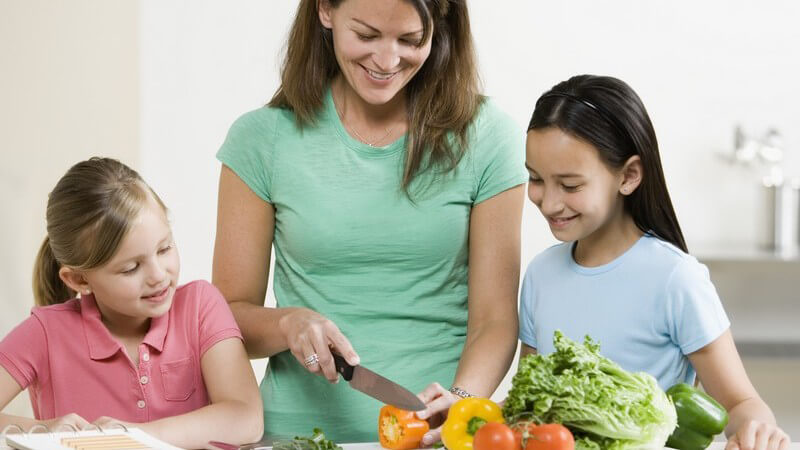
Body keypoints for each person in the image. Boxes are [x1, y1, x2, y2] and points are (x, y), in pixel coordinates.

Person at [213, 0, 526, 444]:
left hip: (433, 438)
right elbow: (227, 319)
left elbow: (494, 321)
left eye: (410, 40)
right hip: (294, 438)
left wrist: (460, 402)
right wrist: (288, 323)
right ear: (325, 10)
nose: (387, 60)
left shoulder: (487, 136)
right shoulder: (262, 139)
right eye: (366, 35)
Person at [518, 74, 791, 450]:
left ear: (629, 176)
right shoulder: (540, 275)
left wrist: (758, 431)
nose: (548, 203)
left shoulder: (675, 278)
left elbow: (741, 403)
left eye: (570, 185)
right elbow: (528, 403)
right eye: (535, 179)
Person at [0, 157, 263, 449]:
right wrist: (43, 431)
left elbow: (245, 417)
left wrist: (133, 437)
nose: (158, 275)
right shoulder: (46, 332)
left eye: (164, 248)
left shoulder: (200, 307)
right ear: (79, 280)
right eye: (131, 268)